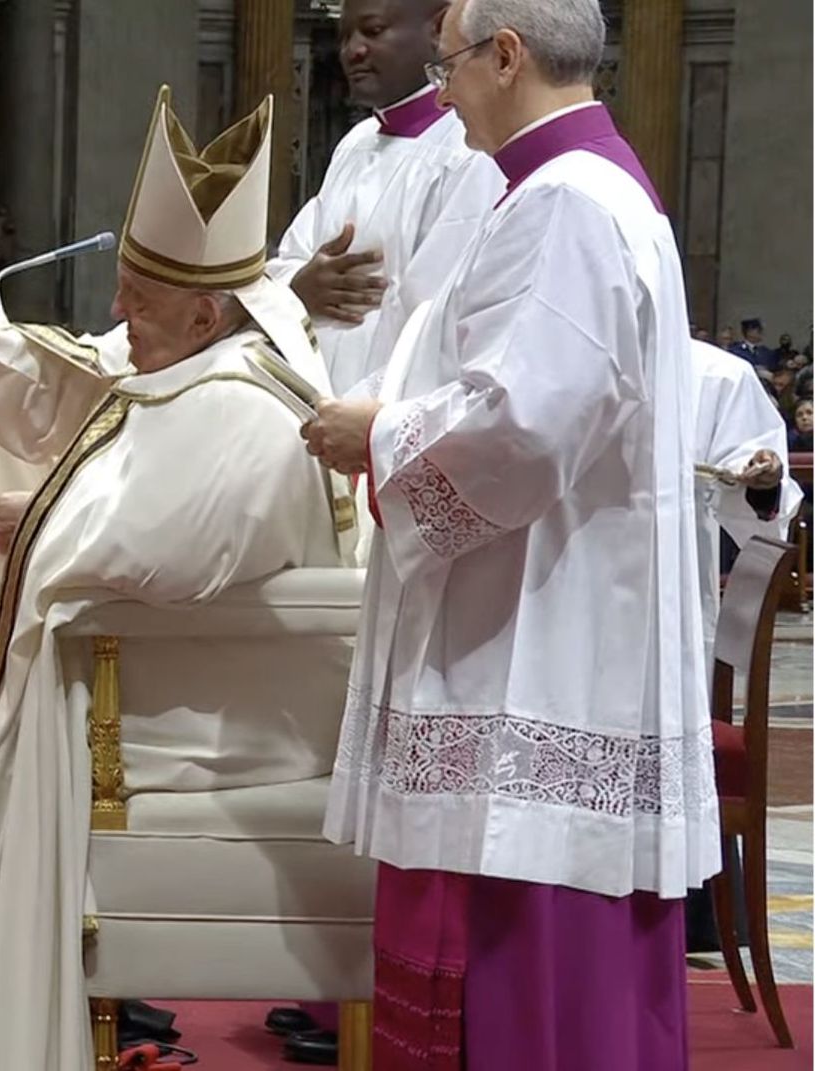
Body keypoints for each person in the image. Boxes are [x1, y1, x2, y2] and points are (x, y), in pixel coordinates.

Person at [0, 85, 351, 1071]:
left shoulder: (242, 408)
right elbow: (75, 380)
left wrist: (33, 526)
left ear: (207, 312)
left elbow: (146, 549)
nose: (119, 310)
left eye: (139, 296)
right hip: (189, 685)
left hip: (226, 724)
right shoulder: (199, 358)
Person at [303, 2, 714, 1066]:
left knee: (534, 982)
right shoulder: (569, 189)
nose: (439, 93)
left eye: (448, 66)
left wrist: (379, 436)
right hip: (551, 617)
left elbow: (528, 425)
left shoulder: (568, 201)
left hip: (543, 647)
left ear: (505, 55)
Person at [269, 0, 502, 395]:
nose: (352, 51)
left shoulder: (470, 150)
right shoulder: (355, 144)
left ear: (437, 30)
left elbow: (440, 312)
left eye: (372, 31)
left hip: (391, 409)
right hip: (316, 400)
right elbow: (293, 255)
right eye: (344, 37)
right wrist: (299, 285)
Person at [691, 339, 803, 657]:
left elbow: (748, 485)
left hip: (676, 588)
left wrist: (762, 482)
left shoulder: (718, 374)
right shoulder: (553, 357)